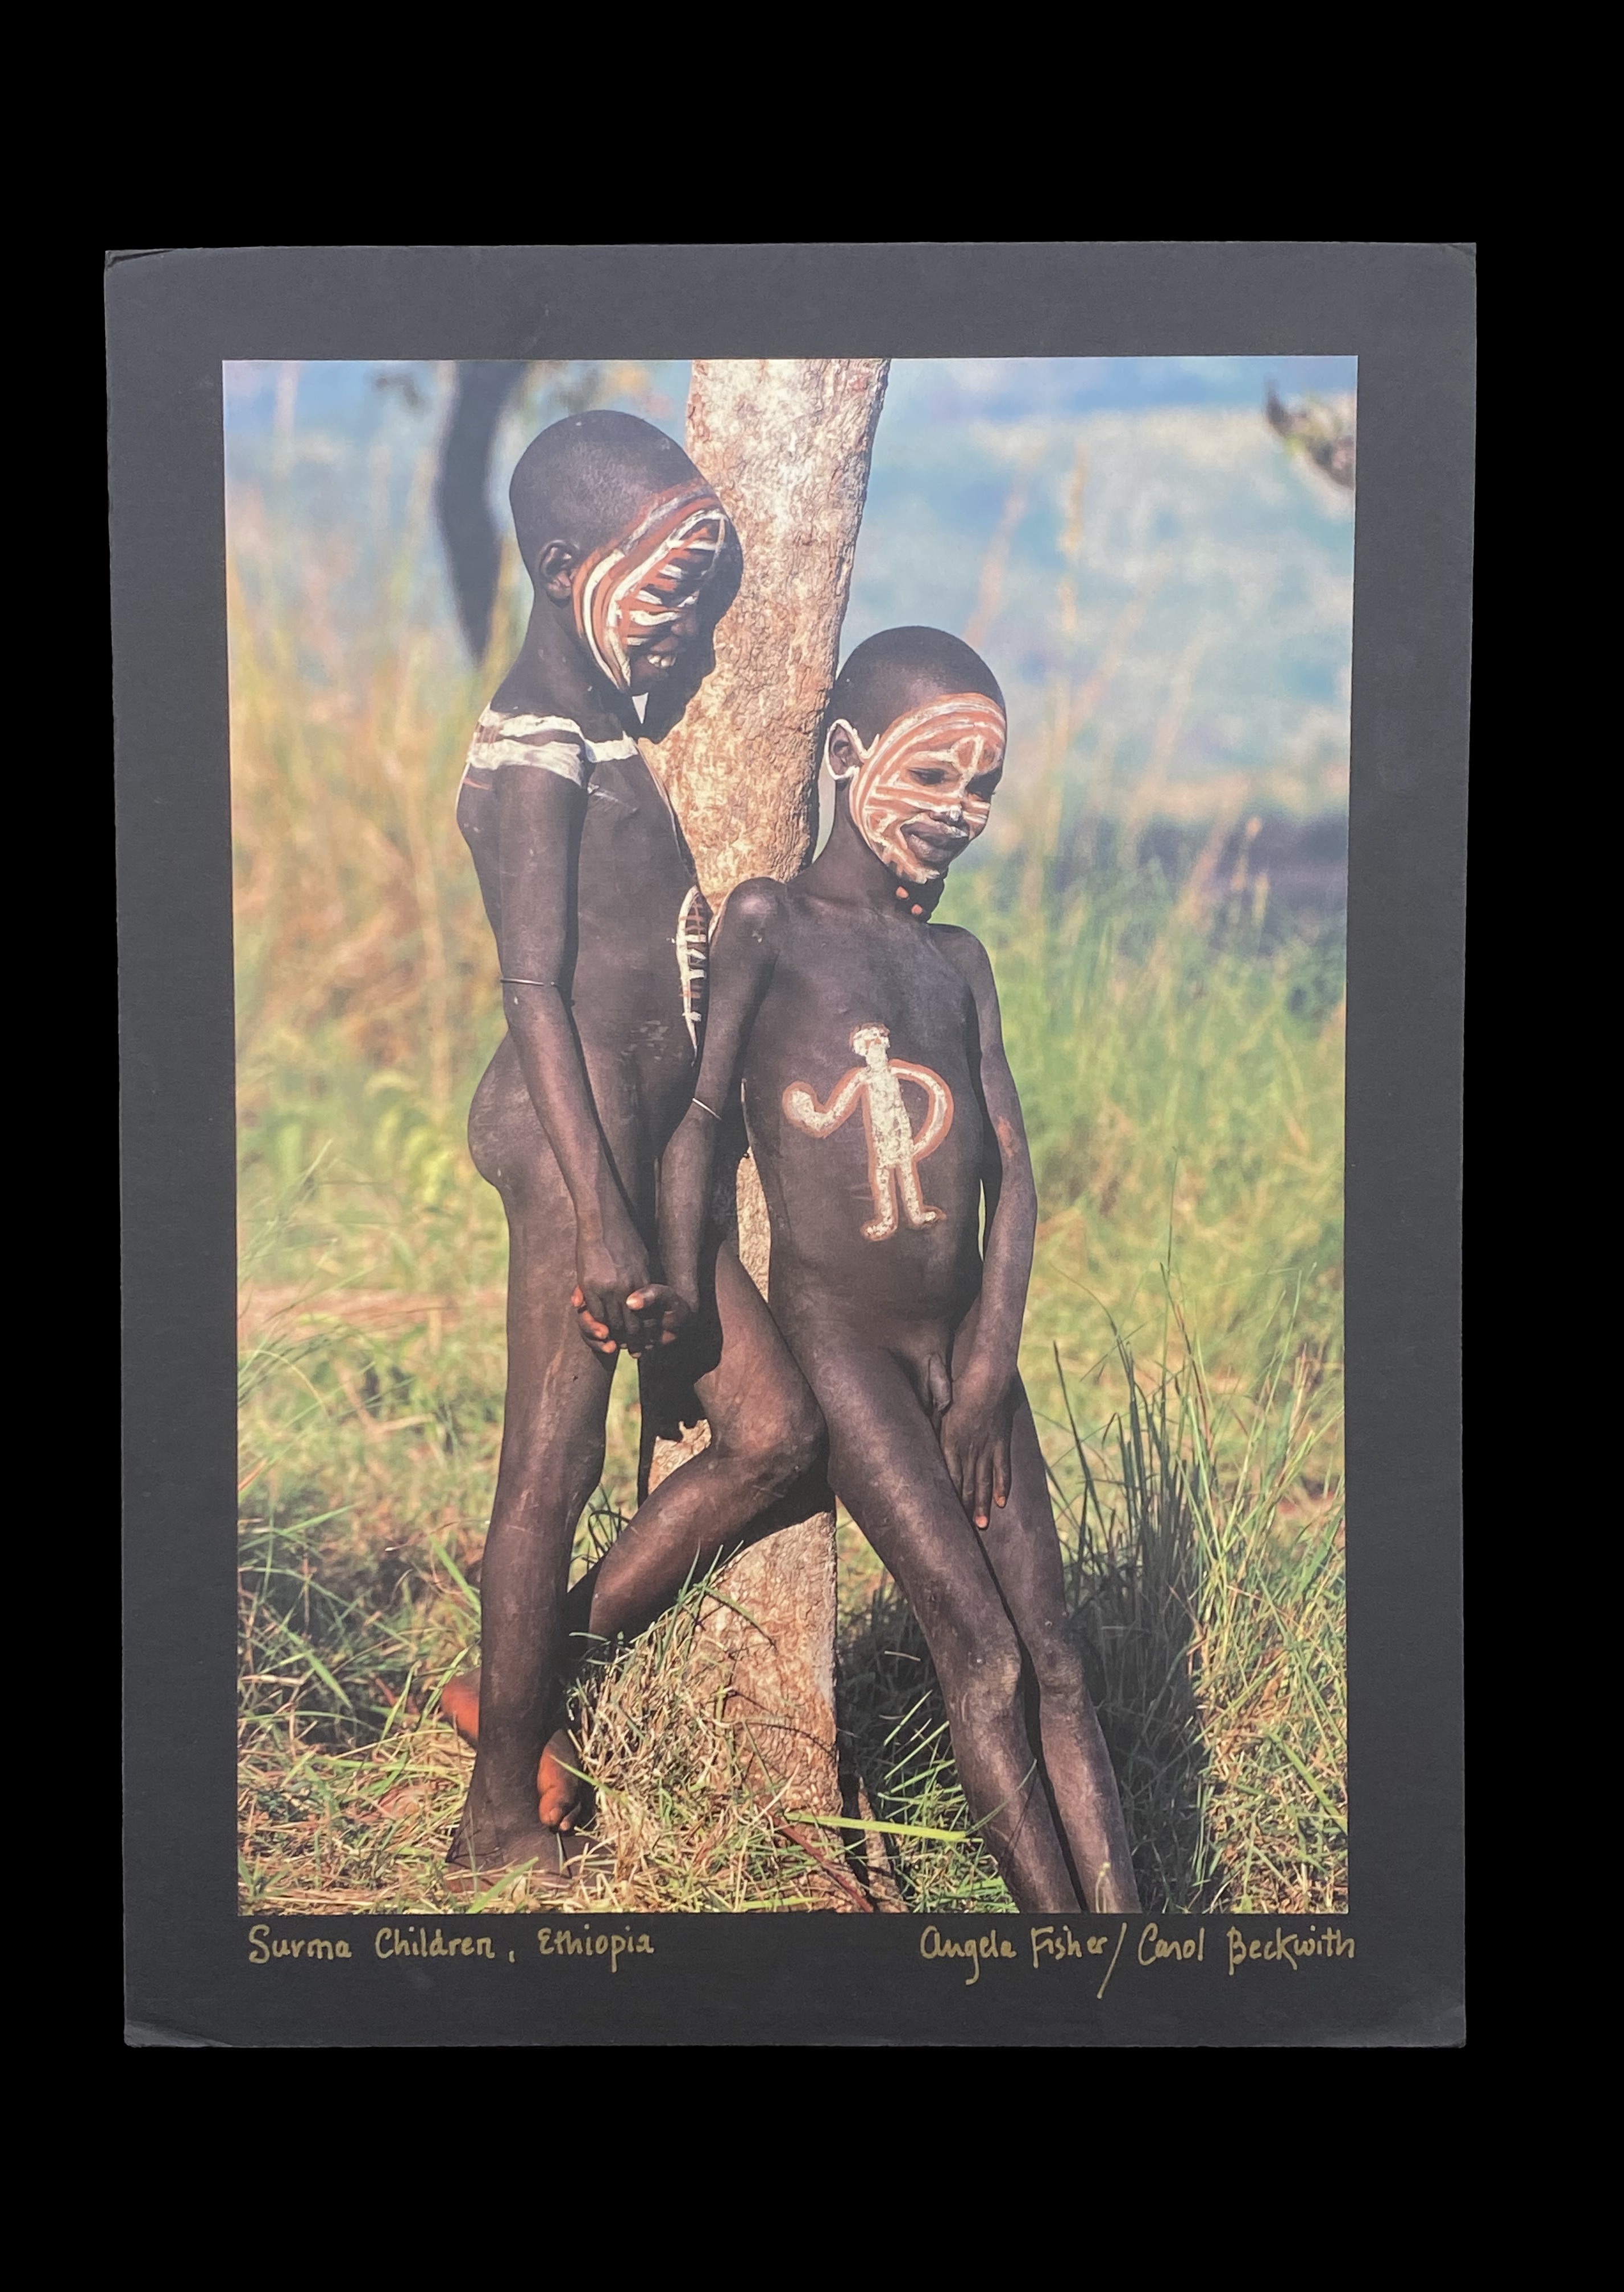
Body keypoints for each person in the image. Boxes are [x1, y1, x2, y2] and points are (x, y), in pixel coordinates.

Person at [591, 624, 1140, 1914]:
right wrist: (675, 1302)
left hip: (967, 1359)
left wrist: (993, 1358)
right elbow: (704, 1126)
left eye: (983, 792)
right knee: (986, 1656)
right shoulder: (771, 925)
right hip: (847, 1358)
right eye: (933, 776)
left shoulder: (957, 964)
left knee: (1059, 1661)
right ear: (847, 756)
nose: (960, 815)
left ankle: (1136, 1950)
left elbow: (1014, 1173)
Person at [445, 410, 823, 1890]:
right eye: (668, 593)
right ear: (559, 571)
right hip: (568, 1146)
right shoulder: (536, 753)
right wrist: (608, 1222)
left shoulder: (607, 724)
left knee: (779, 1432)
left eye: (708, 597)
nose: (696, 634)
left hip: (637, 1158)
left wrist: (666, 1208)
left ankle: (527, 1672)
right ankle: (494, 1821)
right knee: (553, 1457)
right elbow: (531, 987)